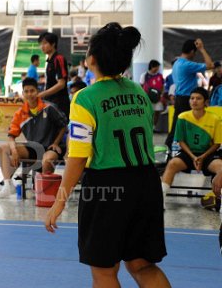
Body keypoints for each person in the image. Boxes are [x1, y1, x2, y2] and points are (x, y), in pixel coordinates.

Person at [45, 23, 170, 287]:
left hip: (107, 187)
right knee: (142, 265)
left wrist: (60, 199)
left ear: (91, 59)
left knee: (104, 272)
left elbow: (78, 157)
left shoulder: (84, 98)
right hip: (147, 183)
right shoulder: (139, 93)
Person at [0, 77, 67, 198]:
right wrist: (14, 150)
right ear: (23, 93)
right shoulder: (20, 113)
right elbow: (11, 136)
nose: (29, 94)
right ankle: (7, 184)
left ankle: (42, 188)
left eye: (32, 91)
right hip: (33, 148)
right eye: (26, 91)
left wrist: (56, 143)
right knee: (3, 148)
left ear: (37, 91)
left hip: (51, 148)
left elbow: (63, 126)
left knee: (47, 161)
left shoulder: (49, 108)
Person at [160, 87, 222, 208]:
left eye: (198, 98)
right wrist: (194, 157)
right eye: (192, 98)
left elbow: (217, 144)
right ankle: (160, 199)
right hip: (188, 154)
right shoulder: (182, 117)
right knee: (172, 164)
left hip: (207, 154)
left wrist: (202, 157)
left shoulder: (215, 119)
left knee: (221, 168)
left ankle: (218, 197)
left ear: (206, 102)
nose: (194, 101)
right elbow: (181, 141)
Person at [166, 39, 214, 151]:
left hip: (180, 98)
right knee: (189, 127)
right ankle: (187, 152)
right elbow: (210, 65)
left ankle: (169, 150)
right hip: (188, 99)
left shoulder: (177, 63)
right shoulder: (187, 64)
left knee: (176, 127)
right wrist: (202, 49)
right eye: (195, 52)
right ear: (192, 51)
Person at [37, 32, 70, 119]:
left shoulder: (58, 59)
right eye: (41, 44)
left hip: (59, 103)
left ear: (53, 44)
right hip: (50, 102)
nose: (42, 46)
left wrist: (42, 94)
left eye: (45, 43)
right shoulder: (49, 61)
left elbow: (61, 84)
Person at [140, 59, 165, 128]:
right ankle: (147, 125)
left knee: (157, 112)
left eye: (158, 67)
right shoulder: (144, 75)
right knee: (148, 112)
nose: (157, 68)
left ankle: (154, 126)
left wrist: (162, 95)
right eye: (156, 67)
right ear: (152, 66)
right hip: (148, 97)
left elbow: (162, 86)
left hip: (158, 97)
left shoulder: (160, 76)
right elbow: (141, 86)